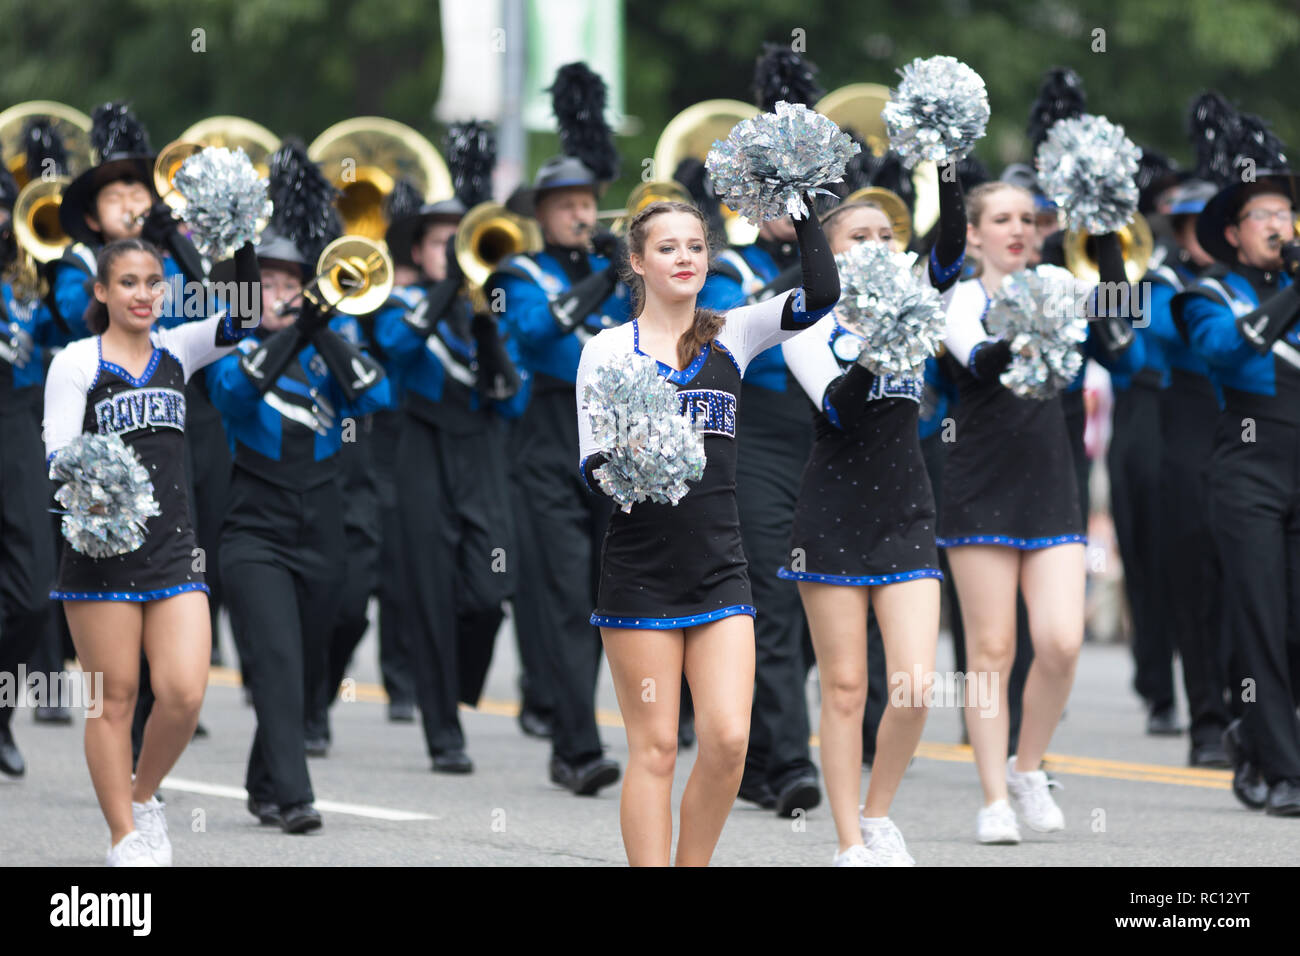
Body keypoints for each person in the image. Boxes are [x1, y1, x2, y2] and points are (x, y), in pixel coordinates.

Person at [576, 198, 838, 865]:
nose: (684, 258)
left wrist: (801, 201)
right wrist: (639, 460)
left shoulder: (735, 334)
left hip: (721, 565)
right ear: (637, 262)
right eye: (667, 248)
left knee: (726, 741)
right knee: (657, 746)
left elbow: (820, 293)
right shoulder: (607, 350)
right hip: (639, 571)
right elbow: (593, 466)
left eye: (695, 246)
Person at [42, 237, 259, 865]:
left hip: (173, 551)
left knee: (185, 691)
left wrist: (240, 235)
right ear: (103, 292)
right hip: (99, 553)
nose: (143, 295)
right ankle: (123, 838)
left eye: (153, 283)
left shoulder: (177, 348)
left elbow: (242, 317)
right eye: (129, 283)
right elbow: (58, 458)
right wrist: (103, 495)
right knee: (116, 698)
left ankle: (143, 798)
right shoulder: (76, 362)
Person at [777, 164, 965, 865]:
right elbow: (840, 407)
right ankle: (849, 841)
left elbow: (949, 245)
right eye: (861, 234)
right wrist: (881, 341)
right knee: (847, 686)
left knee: (915, 684)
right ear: (830, 250)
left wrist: (945, 162)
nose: (881, 242)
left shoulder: (915, 296)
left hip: (908, 506)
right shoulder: (804, 322)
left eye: (889, 233)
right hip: (832, 510)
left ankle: (879, 811)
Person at [940, 181, 1129, 844]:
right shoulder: (960, 297)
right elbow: (982, 359)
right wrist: (1032, 315)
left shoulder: (1058, 282)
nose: (1018, 228)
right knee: (992, 648)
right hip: (979, 480)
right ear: (973, 234)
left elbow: (1120, 334)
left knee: (1062, 640)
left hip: (1050, 478)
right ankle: (994, 797)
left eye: (1028, 218)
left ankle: (1027, 768)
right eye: (1002, 219)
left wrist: (1105, 239)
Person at [208, 230, 391, 834]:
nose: (283, 293)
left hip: (323, 518)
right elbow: (238, 396)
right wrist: (295, 330)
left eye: (293, 283)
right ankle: (293, 796)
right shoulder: (228, 351)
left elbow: (375, 396)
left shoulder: (325, 349)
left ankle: (264, 782)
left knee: (311, 663)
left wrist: (324, 329)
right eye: (270, 285)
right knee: (278, 660)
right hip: (254, 525)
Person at [487, 154, 629, 796]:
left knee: (608, 599)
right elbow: (539, 329)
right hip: (547, 442)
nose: (579, 213)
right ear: (540, 215)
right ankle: (577, 746)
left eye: (585, 201)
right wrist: (606, 275)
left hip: (616, 439)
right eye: (565, 204)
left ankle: (566, 717)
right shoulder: (519, 272)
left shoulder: (618, 273)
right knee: (564, 598)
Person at [376, 185, 525, 774]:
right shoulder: (399, 302)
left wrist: (487, 326)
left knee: (491, 589)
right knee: (430, 592)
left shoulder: (494, 309)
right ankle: (444, 732)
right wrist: (448, 285)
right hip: (421, 447)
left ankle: (460, 686)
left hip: (482, 450)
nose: (456, 252)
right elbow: (394, 347)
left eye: (462, 241)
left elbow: (511, 401)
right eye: (444, 243)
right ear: (421, 250)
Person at [1172, 157, 1300, 816]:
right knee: (1261, 618)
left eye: (1287, 213)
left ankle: (1255, 735)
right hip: (1248, 468)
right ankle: (1286, 771)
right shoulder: (1210, 293)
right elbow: (1228, 350)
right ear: (1234, 234)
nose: (1280, 226)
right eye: (1265, 217)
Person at [1143, 179, 1231, 767]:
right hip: (1189, 436)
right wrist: (1103, 267)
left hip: (1262, 435)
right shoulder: (1161, 285)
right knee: (1197, 582)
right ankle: (1207, 720)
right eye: (1189, 226)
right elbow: (1144, 344)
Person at [0, 162, 59, 776]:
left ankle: (0, 714)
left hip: (17, 422)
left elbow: (68, 337)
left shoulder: (27, 284)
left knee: (34, 595)